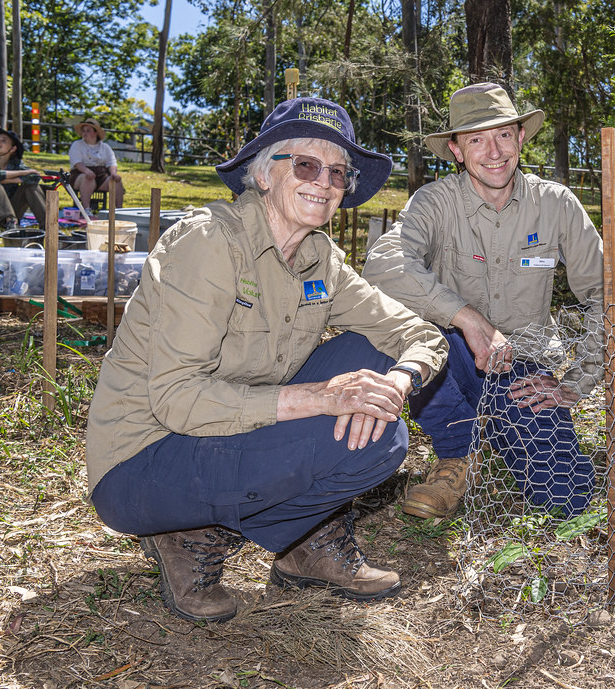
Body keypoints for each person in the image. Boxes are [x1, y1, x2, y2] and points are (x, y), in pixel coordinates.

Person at [86, 97, 449, 624]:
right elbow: (176, 398)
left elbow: (419, 333)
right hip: (144, 461)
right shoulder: (209, 243)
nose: (324, 182)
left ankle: (302, 544)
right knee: (375, 439)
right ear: (264, 174)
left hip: (232, 427)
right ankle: (185, 533)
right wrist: (321, 398)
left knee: (376, 385)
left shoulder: (319, 259)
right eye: (306, 165)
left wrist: (397, 381)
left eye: (338, 172)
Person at [363, 82, 615, 521]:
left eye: (503, 134)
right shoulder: (435, 202)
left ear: (521, 138)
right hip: (449, 358)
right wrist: (466, 318)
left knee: (566, 496)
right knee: (408, 335)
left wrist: (574, 385)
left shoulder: (556, 204)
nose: (493, 151)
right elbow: (383, 263)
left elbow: (609, 294)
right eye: (476, 139)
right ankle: (457, 455)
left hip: (522, 368)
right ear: (455, 150)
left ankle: (500, 426)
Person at [0, 129, 47, 229]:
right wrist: (22, 173)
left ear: (12, 149)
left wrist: (12, 179)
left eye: (3, 140)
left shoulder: (16, 163)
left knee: (30, 186)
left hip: (13, 209)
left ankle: (48, 225)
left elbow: (35, 177)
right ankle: (9, 221)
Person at [69, 117, 124, 213]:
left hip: (101, 175)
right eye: (83, 131)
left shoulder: (105, 147)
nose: (85, 133)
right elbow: (77, 162)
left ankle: (119, 211)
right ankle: (86, 209)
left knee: (116, 181)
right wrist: (87, 171)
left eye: (88, 131)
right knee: (88, 178)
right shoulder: (77, 145)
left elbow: (111, 162)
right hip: (81, 173)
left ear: (95, 133)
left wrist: (113, 174)